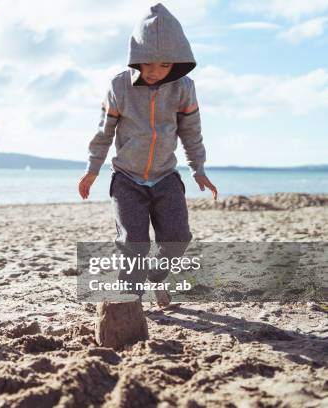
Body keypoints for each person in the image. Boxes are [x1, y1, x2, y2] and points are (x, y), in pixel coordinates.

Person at [78, 3, 218, 306]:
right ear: (137, 57)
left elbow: (191, 131)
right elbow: (104, 132)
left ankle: (156, 278)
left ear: (177, 63)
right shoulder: (119, 86)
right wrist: (92, 169)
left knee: (179, 238)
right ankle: (128, 302)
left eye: (165, 65)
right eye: (149, 64)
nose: (156, 72)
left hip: (166, 176)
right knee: (134, 244)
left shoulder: (184, 88)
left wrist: (198, 168)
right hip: (127, 179)